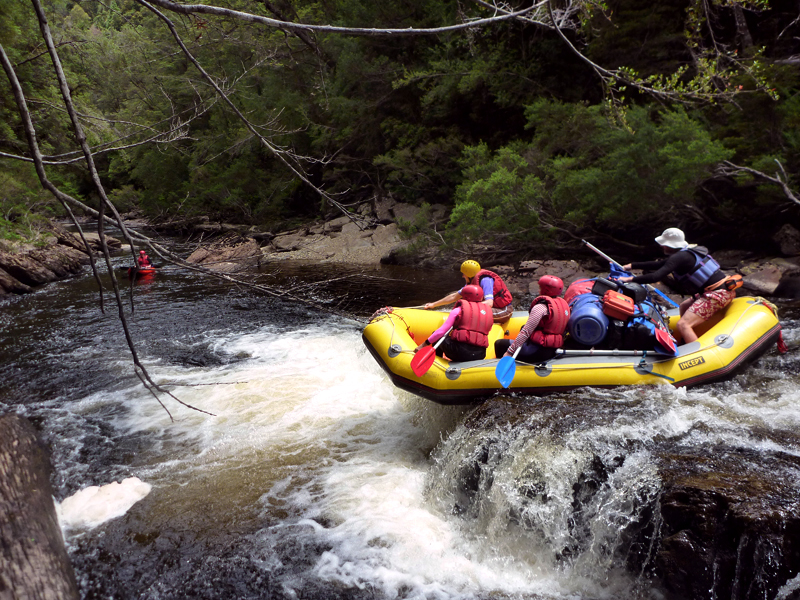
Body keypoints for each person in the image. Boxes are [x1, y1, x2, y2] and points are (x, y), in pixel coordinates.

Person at [617, 227, 735, 344]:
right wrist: (631, 265)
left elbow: (655, 277)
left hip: (717, 294)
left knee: (683, 324)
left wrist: (630, 279)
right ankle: (686, 338)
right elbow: (659, 264)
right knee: (684, 306)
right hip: (719, 290)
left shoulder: (679, 257)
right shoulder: (685, 253)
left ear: (671, 245)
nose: (661, 246)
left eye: (664, 244)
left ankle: (696, 351)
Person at [494, 275, 570, 363]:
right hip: (553, 350)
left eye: (540, 287)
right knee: (523, 327)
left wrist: (509, 352)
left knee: (499, 344)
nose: (538, 290)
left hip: (538, 352)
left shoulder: (540, 307)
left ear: (546, 289)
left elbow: (526, 332)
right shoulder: (564, 306)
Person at [414, 284, 494, 362]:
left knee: (437, 335)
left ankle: (437, 361)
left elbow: (441, 332)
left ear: (465, 296)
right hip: (479, 355)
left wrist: (423, 345)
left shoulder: (458, 310)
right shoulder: (487, 313)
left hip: (459, 353)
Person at [424, 260, 514, 323]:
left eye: (464, 274)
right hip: (490, 309)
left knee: (468, 313)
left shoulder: (485, 280)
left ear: (469, 274)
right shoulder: (471, 282)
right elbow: (454, 296)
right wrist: (433, 304)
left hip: (504, 310)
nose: (463, 276)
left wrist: (468, 307)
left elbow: (489, 303)